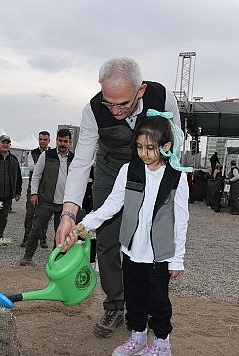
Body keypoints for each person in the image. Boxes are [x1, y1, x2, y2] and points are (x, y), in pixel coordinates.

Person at [55, 57, 181, 338]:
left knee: (150, 236)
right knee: (107, 240)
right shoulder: (92, 109)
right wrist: (68, 213)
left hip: (151, 166)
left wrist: (168, 184)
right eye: (108, 102)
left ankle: (145, 307)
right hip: (111, 169)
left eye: (122, 104)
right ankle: (114, 305)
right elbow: (81, 160)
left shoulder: (164, 99)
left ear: (141, 90)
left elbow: (177, 143)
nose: (114, 111)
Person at [75, 112, 190, 356]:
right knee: (135, 297)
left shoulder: (177, 176)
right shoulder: (129, 170)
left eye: (150, 147)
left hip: (160, 255)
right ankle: (137, 338)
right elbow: (112, 204)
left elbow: (181, 219)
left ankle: (161, 343)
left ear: (166, 146)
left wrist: (178, 258)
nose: (143, 153)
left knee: (158, 301)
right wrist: (87, 223)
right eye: (139, 146)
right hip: (131, 250)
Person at [19, 129, 73, 266]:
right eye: (60, 141)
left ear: (70, 143)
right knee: (36, 229)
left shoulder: (74, 158)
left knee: (60, 233)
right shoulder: (47, 155)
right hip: (46, 201)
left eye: (65, 141)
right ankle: (28, 256)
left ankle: (56, 261)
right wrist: (34, 193)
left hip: (64, 204)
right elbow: (36, 175)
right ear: (56, 141)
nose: (62, 144)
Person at [21, 131, 50, 248]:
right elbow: (31, 167)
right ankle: (26, 237)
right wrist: (45, 166)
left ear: (49, 141)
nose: (42, 141)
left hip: (47, 188)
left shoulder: (51, 153)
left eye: (45, 139)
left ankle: (43, 238)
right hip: (32, 188)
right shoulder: (32, 153)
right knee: (30, 214)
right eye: (41, 139)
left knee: (45, 215)